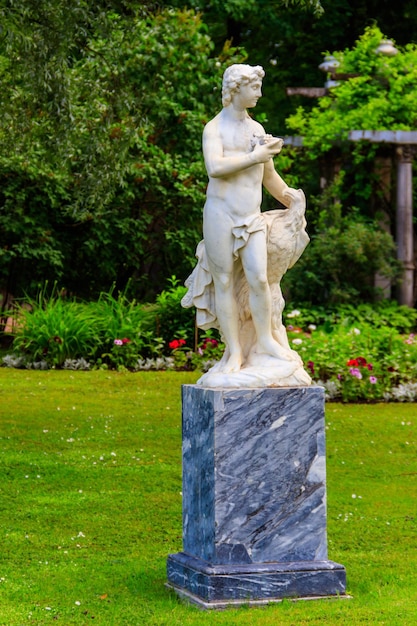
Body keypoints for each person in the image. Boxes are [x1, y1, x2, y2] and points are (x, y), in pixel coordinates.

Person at [182, 64, 310, 384]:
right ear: (236, 89)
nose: (260, 93)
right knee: (224, 282)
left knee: (259, 279)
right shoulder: (214, 128)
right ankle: (235, 352)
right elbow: (215, 167)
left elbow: (268, 176)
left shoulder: (257, 129)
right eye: (254, 88)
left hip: (250, 217)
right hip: (220, 215)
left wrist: (290, 197)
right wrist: (256, 156)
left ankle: (265, 342)